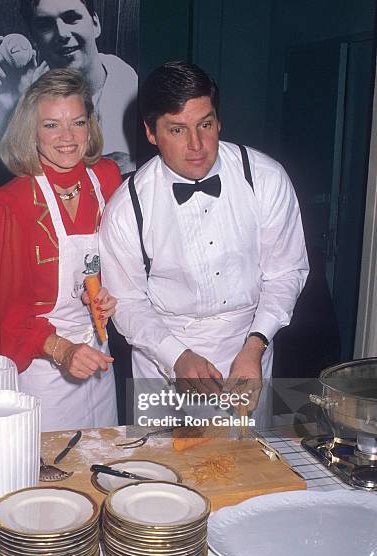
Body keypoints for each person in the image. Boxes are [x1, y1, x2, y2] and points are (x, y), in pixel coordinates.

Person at [99, 61, 309, 428]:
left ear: (219, 121)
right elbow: (128, 302)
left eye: (205, 125)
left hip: (248, 345)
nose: (196, 145)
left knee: (245, 469)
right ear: (150, 132)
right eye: (177, 130)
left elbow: (286, 272)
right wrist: (177, 356)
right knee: (162, 472)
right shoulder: (126, 206)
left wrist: (255, 345)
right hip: (163, 354)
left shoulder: (265, 178)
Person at [0, 68, 121, 431]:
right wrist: (62, 350)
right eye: (50, 125)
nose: (67, 138)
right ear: (31, 131)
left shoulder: (107, 178)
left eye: (77, 122)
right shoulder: (9, 203)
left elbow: (123, 261)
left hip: (98, 359)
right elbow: (4, 316)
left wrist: (111, 294)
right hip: (43, 370)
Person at [0, 0, 137, 191]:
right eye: (45, 25)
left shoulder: (133, 87)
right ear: (34, 38)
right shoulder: (22, 91)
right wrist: (13, 108)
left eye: (71, 18)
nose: (62, 34)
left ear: (95, 24)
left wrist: (135, 165)